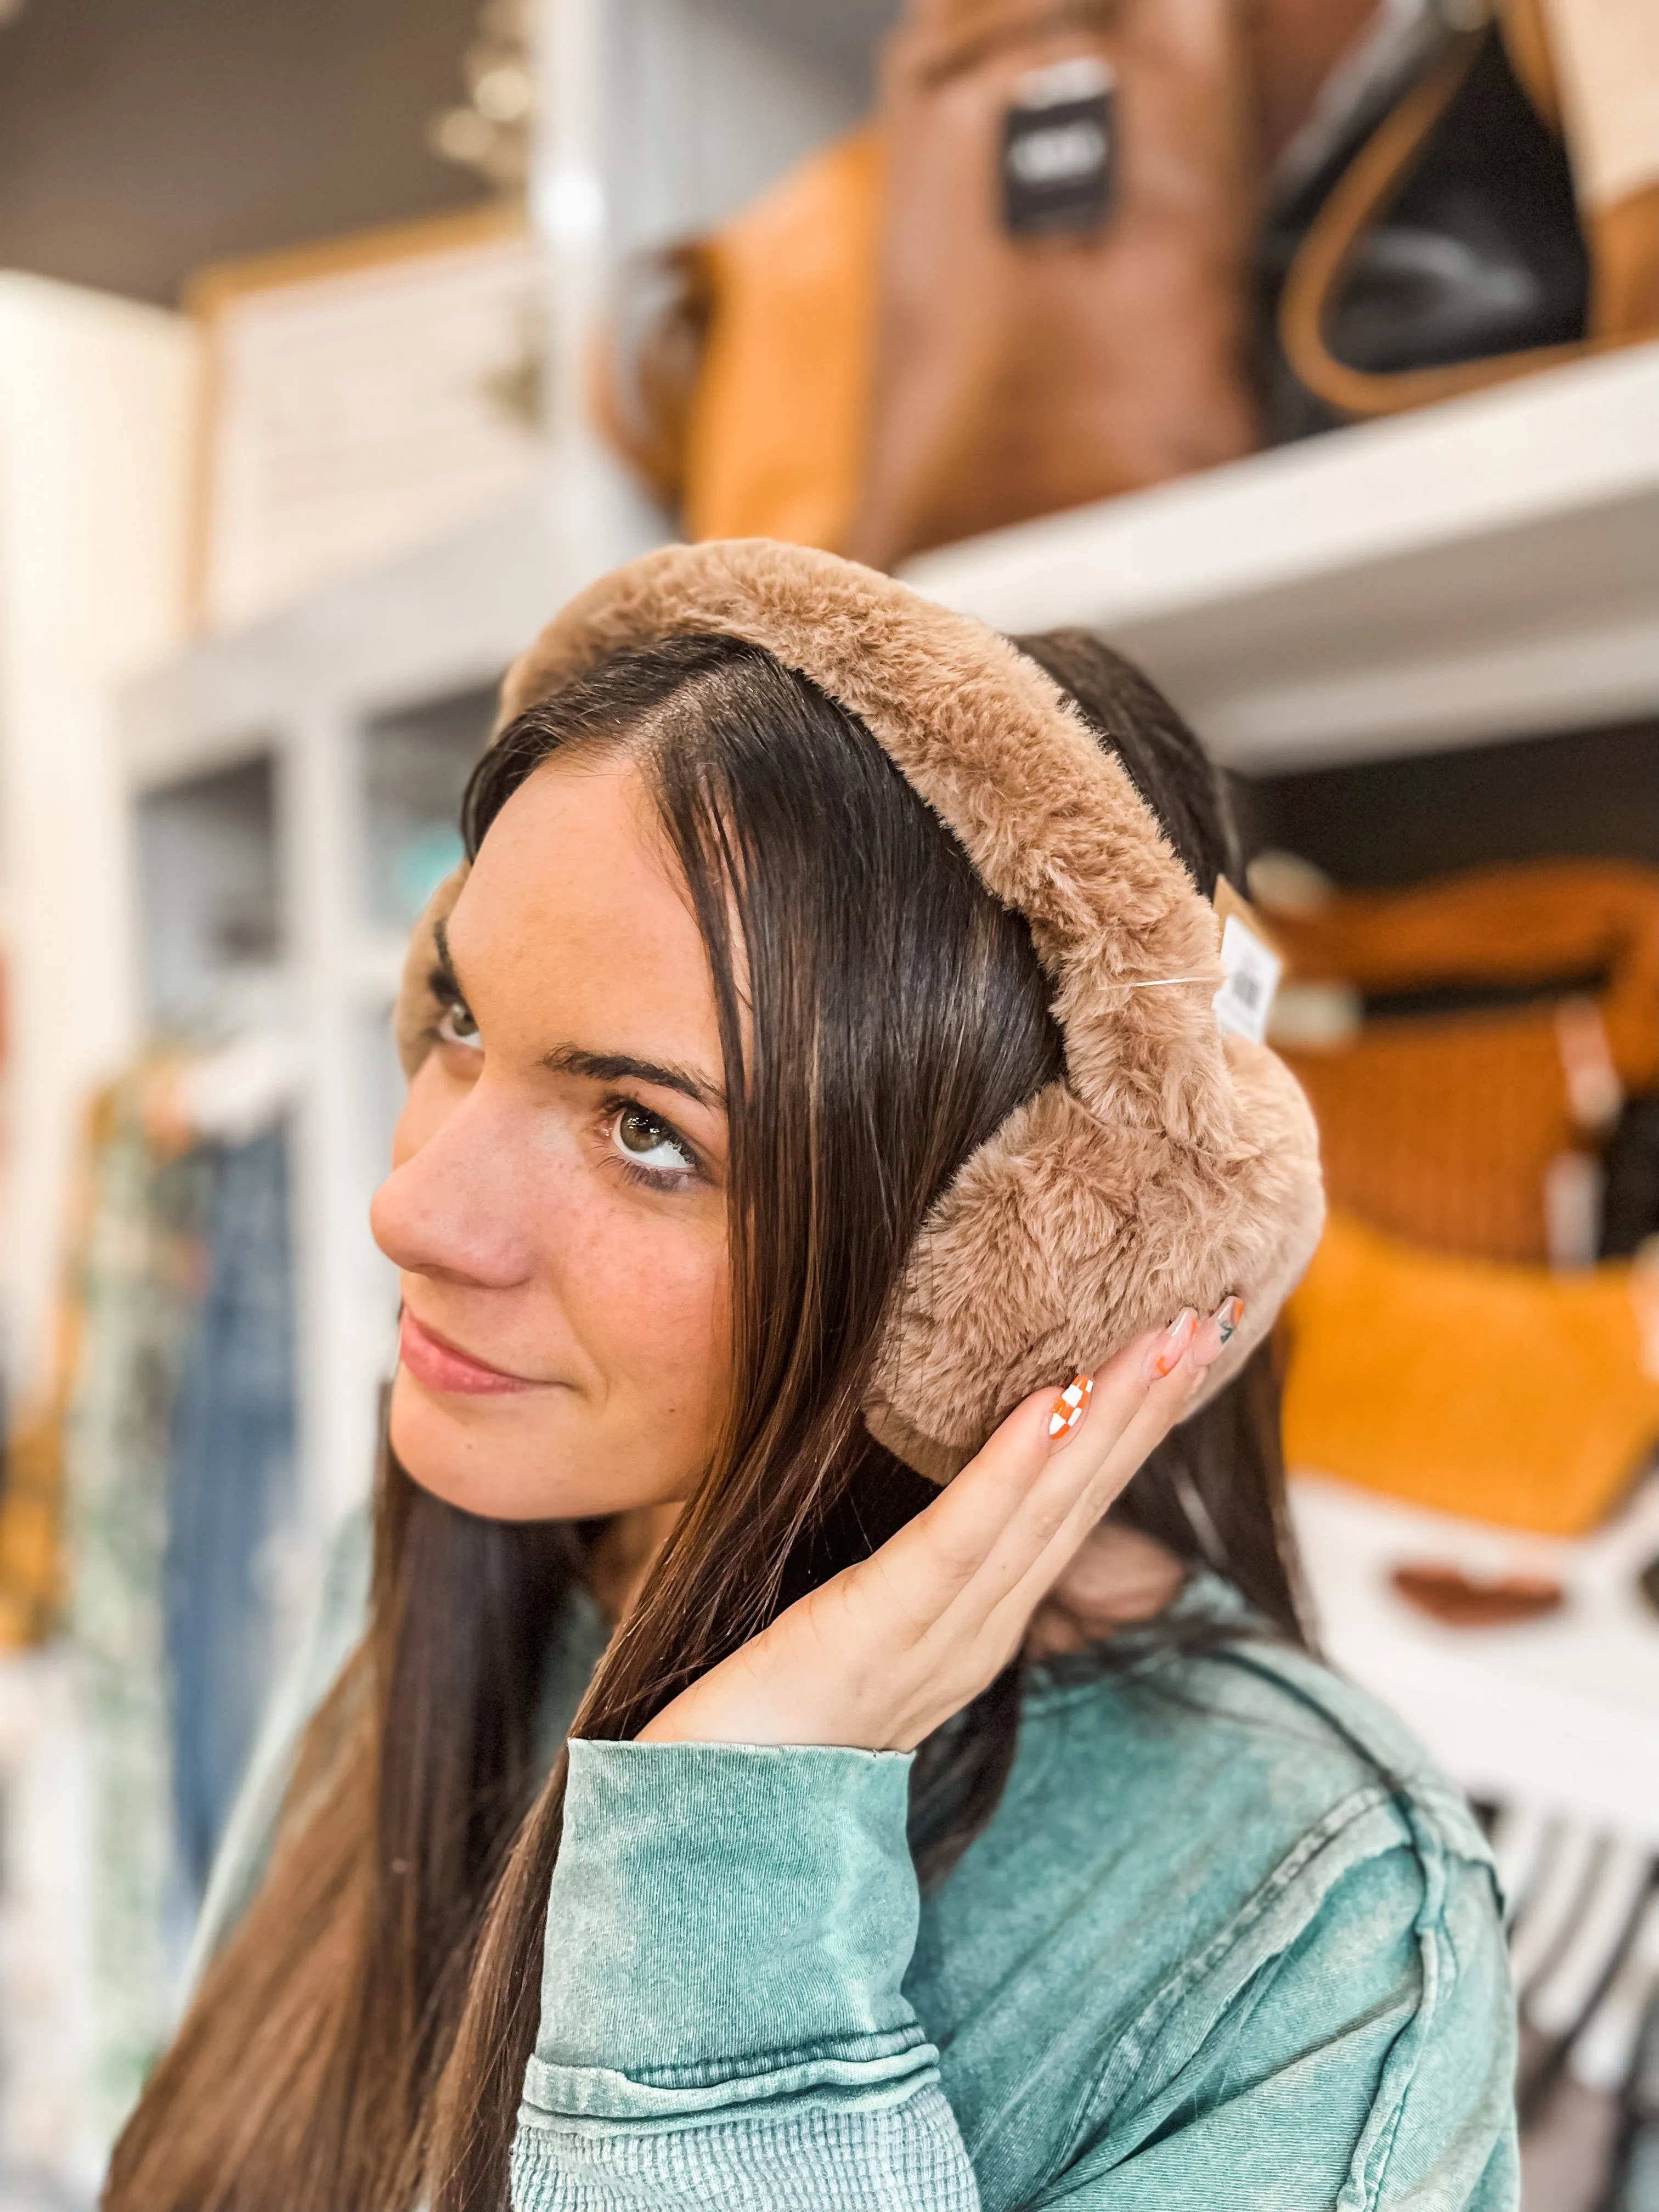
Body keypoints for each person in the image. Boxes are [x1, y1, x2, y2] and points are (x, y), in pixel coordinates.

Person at [107, 543, 1517, 2212]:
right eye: (463, 1019)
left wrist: (739, 1859)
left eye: (648, 1134)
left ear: (989, 1281)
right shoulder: (439, 1533)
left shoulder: (1315, 1938)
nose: (409, 1208)